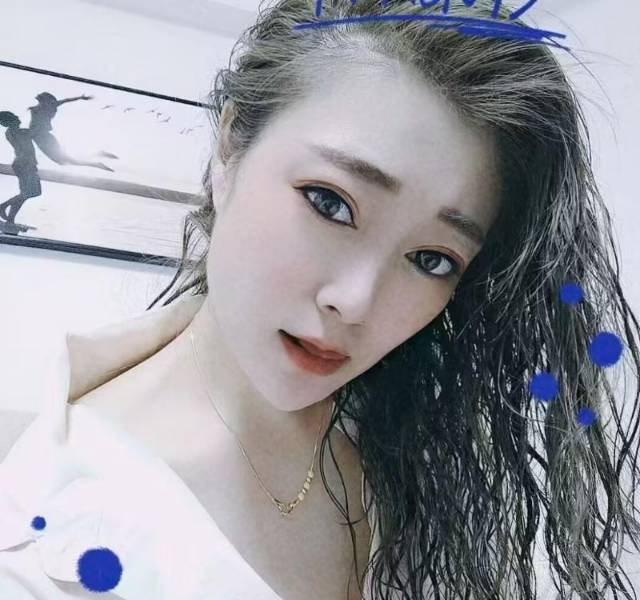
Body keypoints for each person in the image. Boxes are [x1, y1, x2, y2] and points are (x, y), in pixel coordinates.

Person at [2, 1, 640, 599]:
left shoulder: (422, 452)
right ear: (231, 146)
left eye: (432, 259)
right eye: (330, 202)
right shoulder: (45, 540)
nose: (356, 302)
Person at [28, 92, 116, 172]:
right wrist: (80, 97)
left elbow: (66, 100)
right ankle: (96, 159)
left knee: (64, 160)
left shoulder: (47, 107)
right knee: (64, 160)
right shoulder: (37, 108)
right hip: (40, 137)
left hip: (43, 137)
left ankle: (97, 159)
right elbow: (66, 100)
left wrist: (80, 97)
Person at [0, 111, 42, 225]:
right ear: (10, 121)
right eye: (15, 117)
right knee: (28, 193)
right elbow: (36, 130)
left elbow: (33, 131)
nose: (18, 117)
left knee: (27, 193)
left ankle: (8, 215)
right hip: (25, 165)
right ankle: (4, 209)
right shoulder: (18, 132)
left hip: (23, 164)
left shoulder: (11, 132)